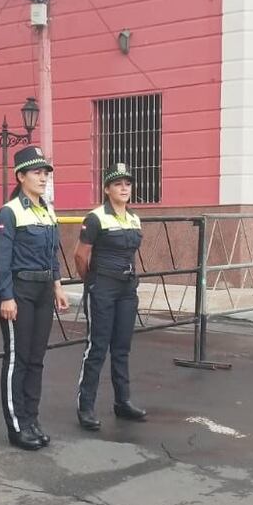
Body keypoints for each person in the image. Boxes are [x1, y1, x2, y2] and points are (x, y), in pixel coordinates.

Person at [0, 146, 69, 451]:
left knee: (36, 359)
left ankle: (32, 419)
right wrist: (6, 297)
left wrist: (58, 286)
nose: (43, 178)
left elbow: (52, 254)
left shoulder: (47, 210)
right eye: (37, 172)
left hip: (42, 292)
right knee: (17, 359)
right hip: (19, 292)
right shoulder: (10, 211)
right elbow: (1, 259)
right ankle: (16, 425)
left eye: (45, 173)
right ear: (20, 176)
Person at [73, 163, 146, 431]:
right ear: (107, 189)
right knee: (97, 347)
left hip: (127, 289)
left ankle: (122, 402)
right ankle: (86, 407)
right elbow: (80, 255)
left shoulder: (134, 218)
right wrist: (91, 282)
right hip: (102, 286)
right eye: (118, 184)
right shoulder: (95, 218)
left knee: (122, 348)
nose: (124, 188)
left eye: (127, 183)